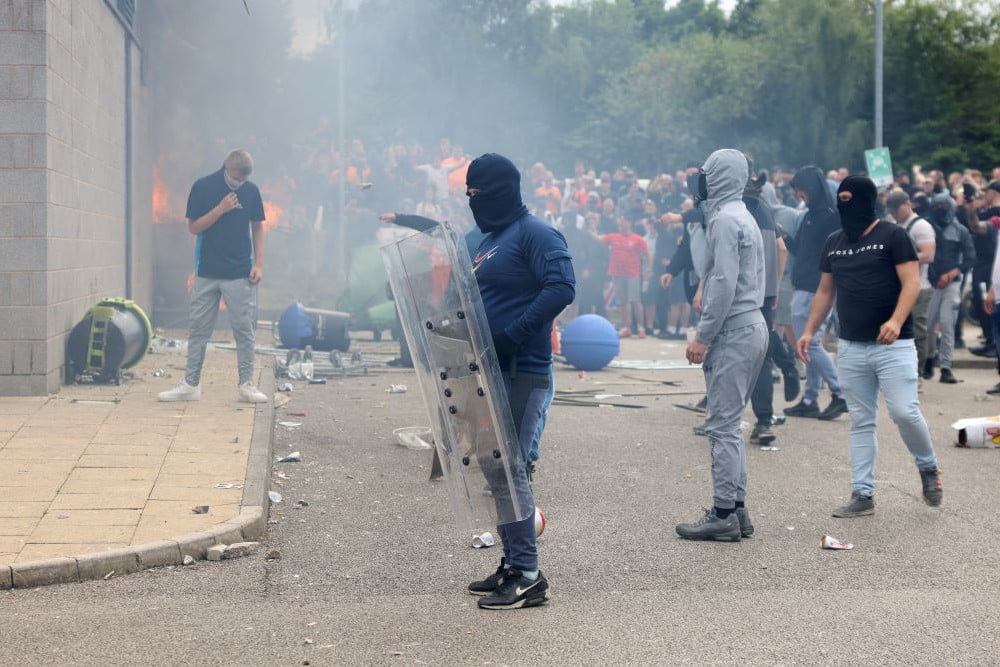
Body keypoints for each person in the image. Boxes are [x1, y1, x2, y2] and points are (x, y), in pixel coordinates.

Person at [797, 176, 943, 517]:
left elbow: (911, 283)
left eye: (850, 198)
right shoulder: (834, 242)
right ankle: (862, 493)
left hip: (894, 345)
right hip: (851, 346)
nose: (844, 206)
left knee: (904, 412)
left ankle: (928, 467)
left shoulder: (894, 236)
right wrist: (809, 331)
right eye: (840, 199)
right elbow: (824, 292)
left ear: (866, 199)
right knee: (861, 420)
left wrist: (895, 320)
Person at [674, 149, 767, 542]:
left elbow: (724, 283)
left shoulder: (726, 220)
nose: (701, 182)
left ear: (720, 178)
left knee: (722, 426)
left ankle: (724, 512)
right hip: (751, 325)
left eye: (706, 175)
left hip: (733, 330)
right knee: (729, 424)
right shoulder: (741, 215)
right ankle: (737, 508)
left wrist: (703, 336)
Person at [159, 149, 268, 404]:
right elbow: (194, 227)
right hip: (207, 272)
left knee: (244, 330)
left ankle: (246, 385)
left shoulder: (251, 192)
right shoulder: (203, 187)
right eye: (235, 178)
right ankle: (190, 385)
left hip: (240, 273)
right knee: (198, 330)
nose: (238, 183)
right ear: (226, 169)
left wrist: (259, 264)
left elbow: (258, 226)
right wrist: (220, 209)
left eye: (243, 180)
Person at [784, 166, 848, 420]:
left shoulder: (830, 216)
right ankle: (810, 398)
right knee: (807, 344)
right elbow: (800, 249)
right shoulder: (811, 214)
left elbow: (833, 253)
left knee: (808, 343)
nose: (798, 194)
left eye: (800, 189)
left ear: (811, 187)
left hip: (815, 287)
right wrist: (784, 236)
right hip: (807, 285)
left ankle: (840, 393)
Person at [924, 193, 975, 383]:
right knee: (927, 326)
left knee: (947, 325)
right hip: (930, 283)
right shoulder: (926, 227)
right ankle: (929, 359)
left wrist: (953, 273)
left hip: (951, 284)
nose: (941, 210)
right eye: (937, 206)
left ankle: (946, 367)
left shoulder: (960, 230)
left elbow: (970, 258)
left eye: (943, 206)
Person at [885, 191, 935, 383]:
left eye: (896, 210)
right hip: (899, 286)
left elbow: (928, 255)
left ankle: (918, 374)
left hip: (920, 286)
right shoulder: (897, 226)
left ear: (907, 204)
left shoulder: (921, 226)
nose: (895, 214)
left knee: (918, 332)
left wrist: (900, 259)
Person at [596, 216, 649, 337]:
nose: (621, 225)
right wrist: (589, 231)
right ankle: (626, 328)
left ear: (629, 223)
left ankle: (641, 328)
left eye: (623, 222)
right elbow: (599, 239)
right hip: (617, 274)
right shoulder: (613, 237)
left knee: (635, 301)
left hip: (633, 274)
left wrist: (648, 269)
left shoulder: (638, 239)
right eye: (619, 223)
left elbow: (646, 254)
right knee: (622, 302)